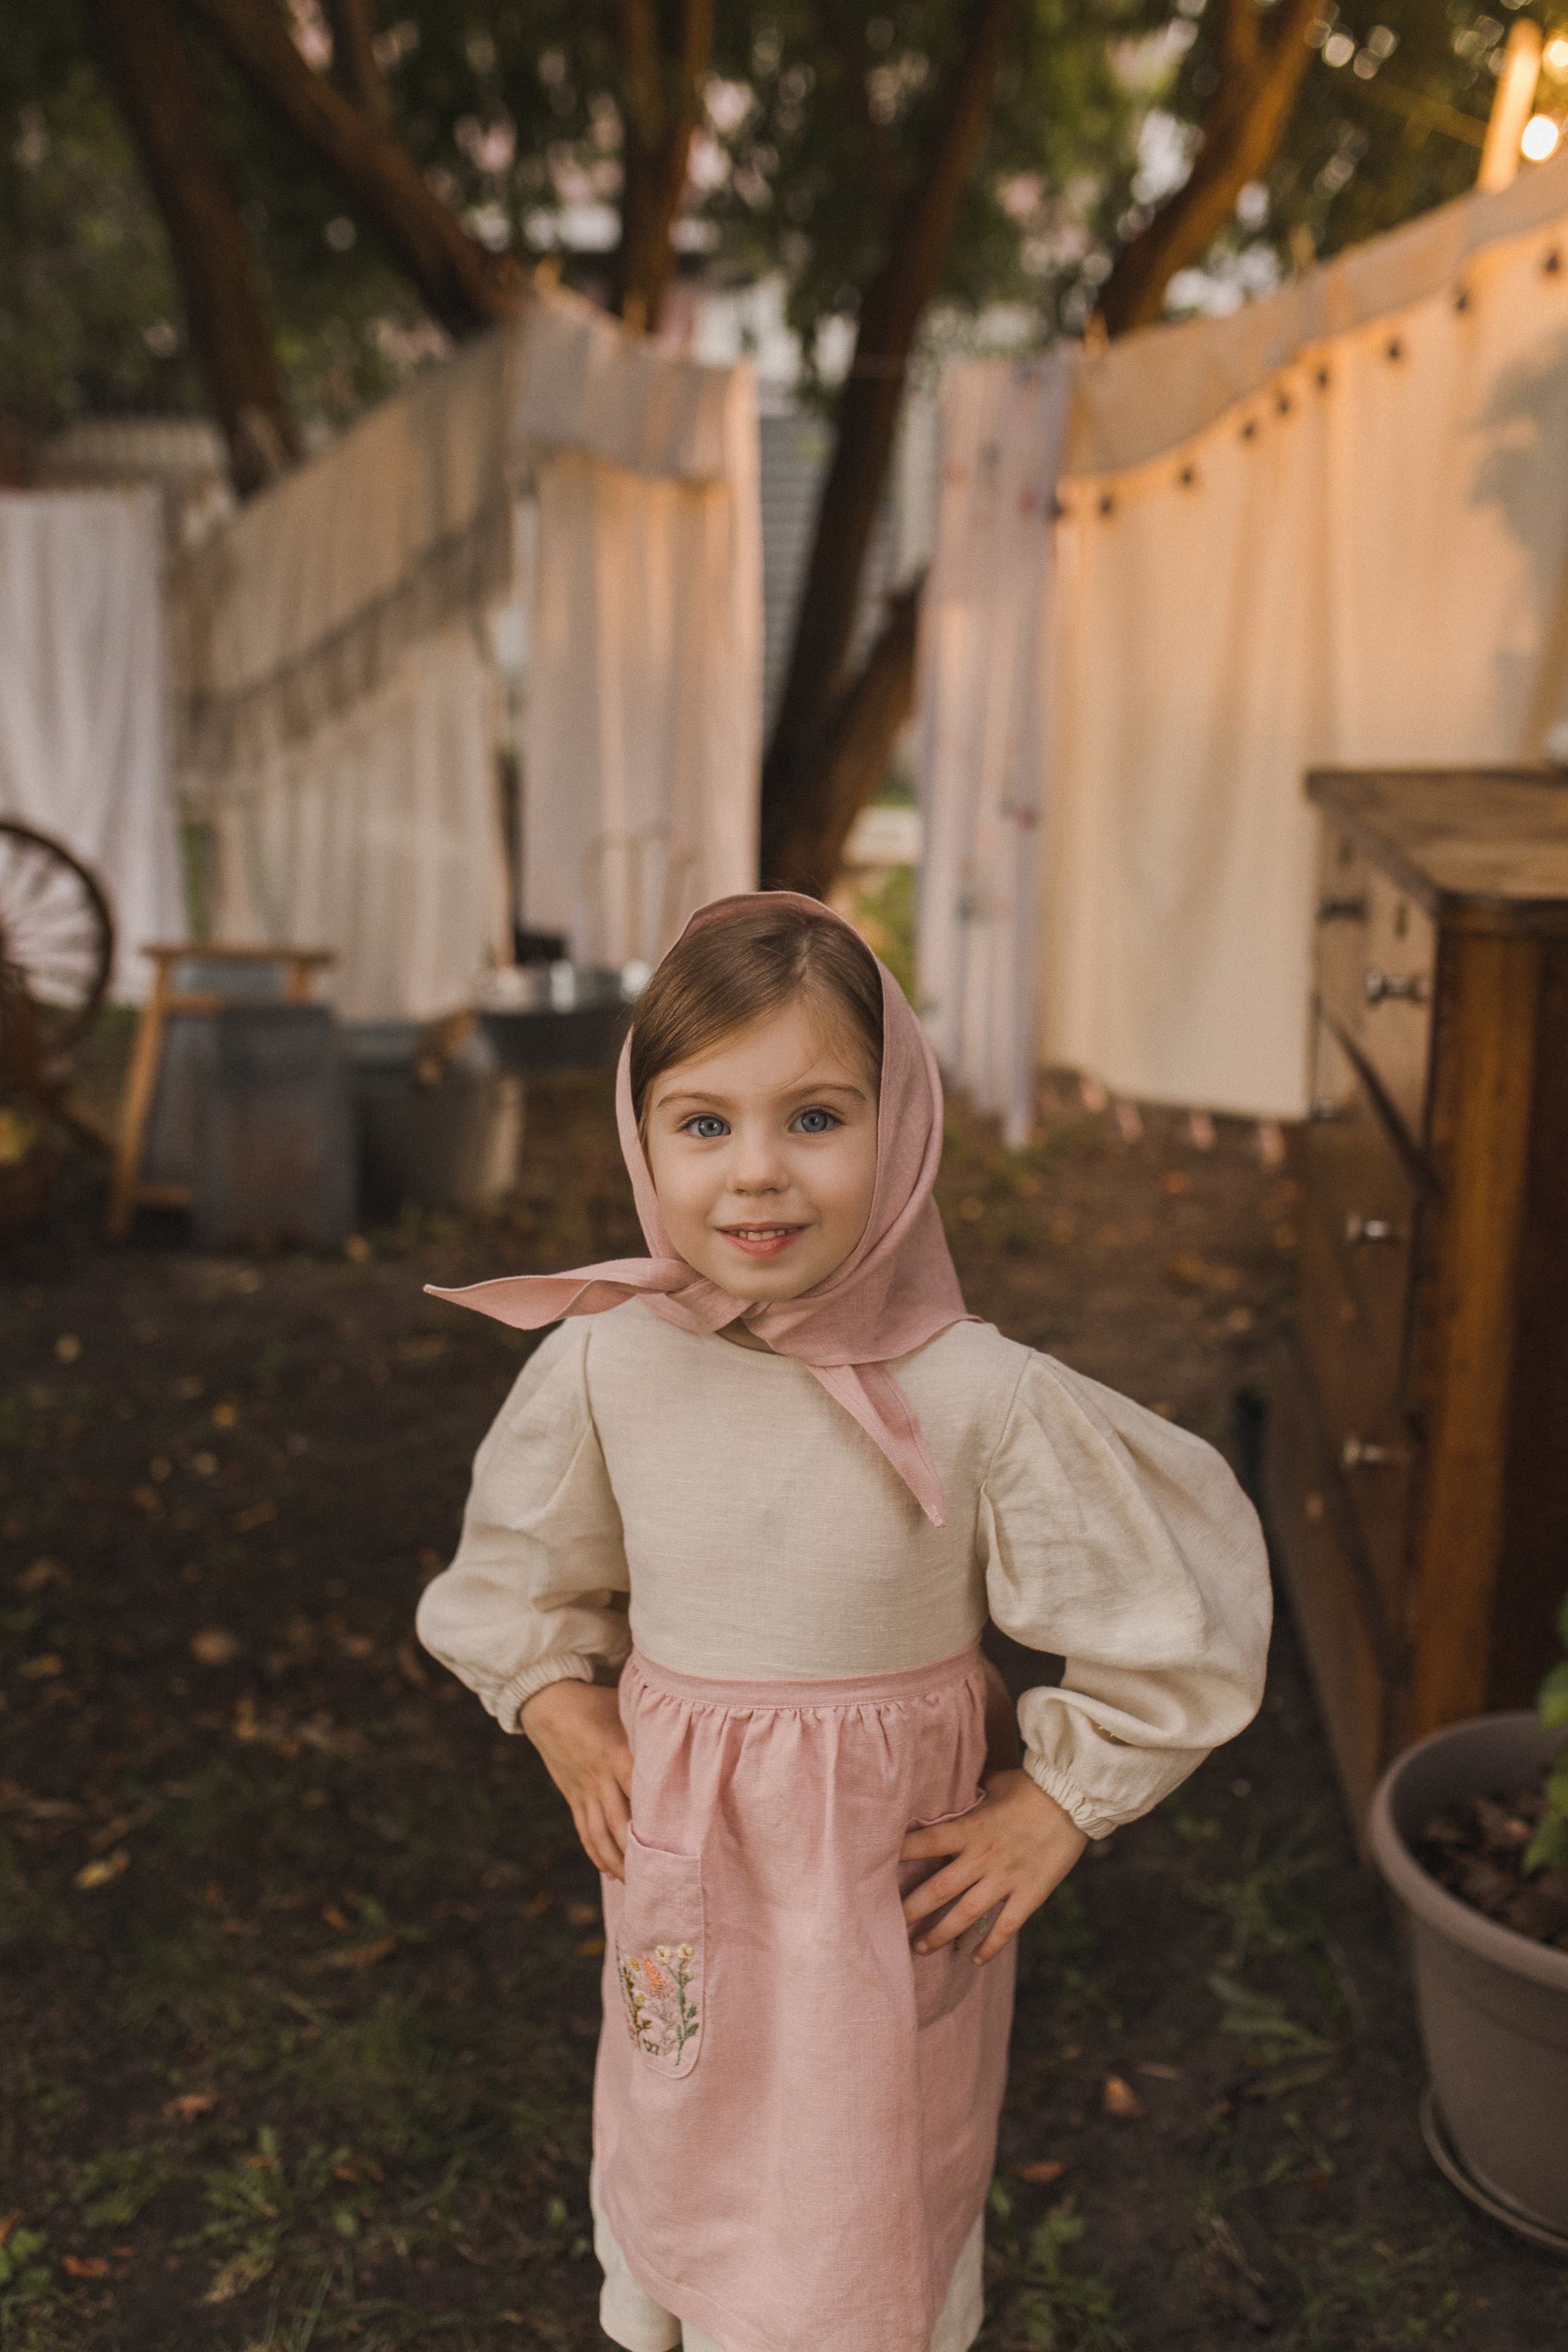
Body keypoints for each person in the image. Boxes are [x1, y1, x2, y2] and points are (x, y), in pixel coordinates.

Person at [417, 893, 1271, 2352]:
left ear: (903, 1125)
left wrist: (1056, 1807)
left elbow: (1165, 1613)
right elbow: (516, 1569)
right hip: (691, 1862)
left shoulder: (972, 1395)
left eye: (815, 1117)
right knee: (685, 2129)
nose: (756, 1175)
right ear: (641, 1136)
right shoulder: (611, 1365)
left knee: (866, 2180)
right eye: (702, 1125)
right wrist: (559, 1706)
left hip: (880, 1885)